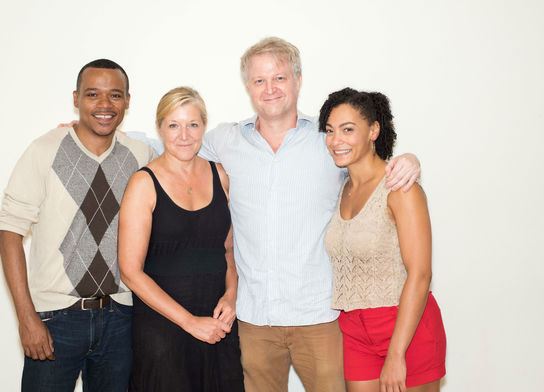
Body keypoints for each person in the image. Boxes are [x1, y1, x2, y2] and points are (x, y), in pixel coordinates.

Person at [128, 37, 421, 392]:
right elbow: (175, 143)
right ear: (248, 87)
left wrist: (407, 160)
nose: (270, 89)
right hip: (254, 321)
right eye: (259, 81)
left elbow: (369, 164)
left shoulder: (327, 142)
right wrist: (98, 134)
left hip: (319, 315)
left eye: (279, 78)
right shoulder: (225, 140)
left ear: (297, 80)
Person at [0, 59, 155, 392]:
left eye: (114, 95)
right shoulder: (44, 151)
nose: (104, 105)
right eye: (93, 95)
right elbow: (9, 234)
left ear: (128, 100)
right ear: (76, 98)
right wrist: (27, 319)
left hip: (120, 317)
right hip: (55, 318)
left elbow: (182, 153)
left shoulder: (140, 155)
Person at [320, 87, 447, 392]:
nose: (337, 140)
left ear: (373, 130)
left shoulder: (400, 188)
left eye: (348, 130)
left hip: (407, 327)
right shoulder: (341, 187)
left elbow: (420, 274)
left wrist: (396, 353)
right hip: (354, 328)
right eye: (330, 131)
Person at [118, 87, 244, 391]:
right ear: (160, 128)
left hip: (218, 326)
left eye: (193, 125)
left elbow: (228, 251)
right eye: (174, 125)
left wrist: (231, 295)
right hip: (163, 330)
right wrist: (189, 322)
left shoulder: (221, 176)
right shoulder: (143, 183)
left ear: (204, 126)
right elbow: (130, 272)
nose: (184, 135)